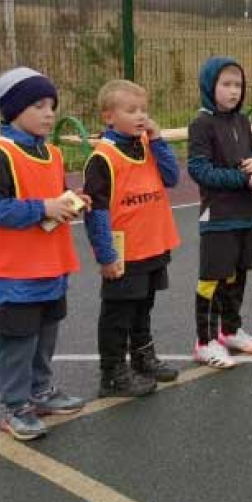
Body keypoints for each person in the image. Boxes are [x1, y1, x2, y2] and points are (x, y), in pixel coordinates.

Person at [0, 67, 86, 440]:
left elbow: (55, 196)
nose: (49, 112)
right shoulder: (0, 155)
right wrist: (43, 209)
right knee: (18, 340)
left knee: (46, 334)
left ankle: (41, 391)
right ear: (14, 110)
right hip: (16, 271)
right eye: (38, 105)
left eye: (52, 105)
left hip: (52, 265)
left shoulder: (51, 153)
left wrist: (72, 201)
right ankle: (15, 406)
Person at [83, 79, 181, 398]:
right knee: (118, 313)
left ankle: (142, 358)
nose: (141, 116)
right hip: (124, 250)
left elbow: (171, 177)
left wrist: (158, 140)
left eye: (144, 109)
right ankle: (111, 373)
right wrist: (106, 255)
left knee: (144, 306)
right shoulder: (103, 158)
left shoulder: (147, 143)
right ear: (108, 116)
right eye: (131, 110)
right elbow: (95, 213)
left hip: (153, 243)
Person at [187, 57, 252, 368]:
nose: (234, 91)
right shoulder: (201, 124)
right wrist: (242, 179)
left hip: (244, 214)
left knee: (238, 276)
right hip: (217, 216)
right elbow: (199, 170)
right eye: (226, 84)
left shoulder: (243, 121)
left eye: (238, 85)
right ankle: (205, 341)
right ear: (211, 86)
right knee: (213, 278)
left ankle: (229, 330)